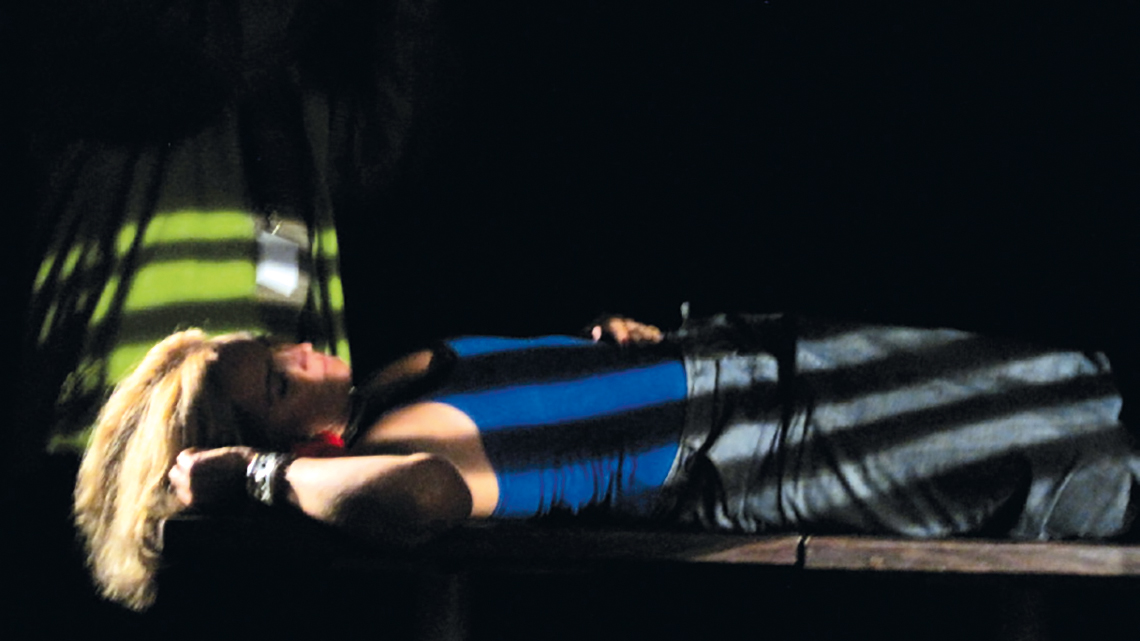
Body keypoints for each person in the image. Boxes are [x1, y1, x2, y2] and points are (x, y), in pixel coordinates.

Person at [74, 312, 1140, 611]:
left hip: (753, 364)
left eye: (280, 347)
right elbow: (426, 498)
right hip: (761, 447)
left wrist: (609, 344)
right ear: (279, 441)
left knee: (1060, 386)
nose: (305, 352)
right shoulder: (390, 452)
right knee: (1070, 462)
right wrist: (252, 484)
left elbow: (524, 374)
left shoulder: (388, 390)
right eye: (278, 382)